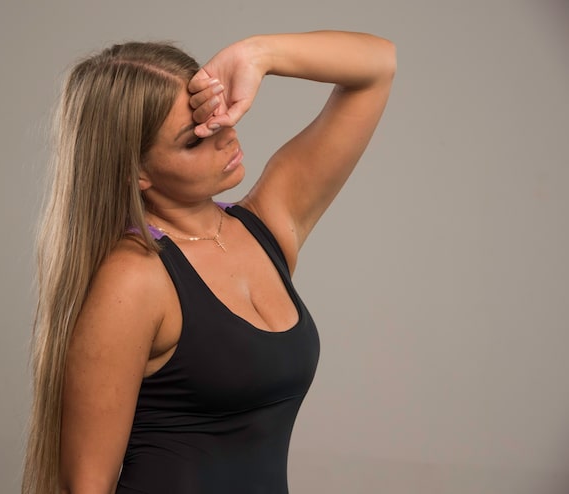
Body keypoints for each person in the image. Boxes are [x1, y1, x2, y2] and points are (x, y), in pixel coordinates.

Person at [22, 30, 396, 494]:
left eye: (216, 113)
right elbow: (84, 485)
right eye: (194, 139)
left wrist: (258, 54)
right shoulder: (135, 278)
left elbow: (377, 67)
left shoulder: (266, 225)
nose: (225, 135)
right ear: (137, 172)